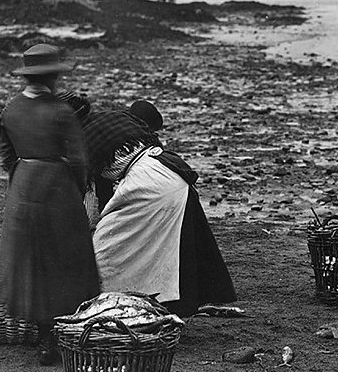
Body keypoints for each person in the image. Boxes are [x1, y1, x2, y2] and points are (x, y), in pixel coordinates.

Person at [0, 44, 100, 365]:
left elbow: (5, 155)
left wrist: (21, 179)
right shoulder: (60, 111)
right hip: (57, 188)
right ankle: (62, 334)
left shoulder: (10, 110)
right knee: (65, 258)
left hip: (23, 187)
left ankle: (43, 337)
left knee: (31, 260)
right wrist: (77, 189)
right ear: (52, 76)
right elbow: (80, 160)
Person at [82, 110, 236, 317]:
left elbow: (97, 194)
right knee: (172, 246)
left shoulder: (85, 138)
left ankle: (114, 298)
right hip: (167, 169)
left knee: (106, 246)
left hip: (150, 182)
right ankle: (173, 303)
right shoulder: (114, 117)